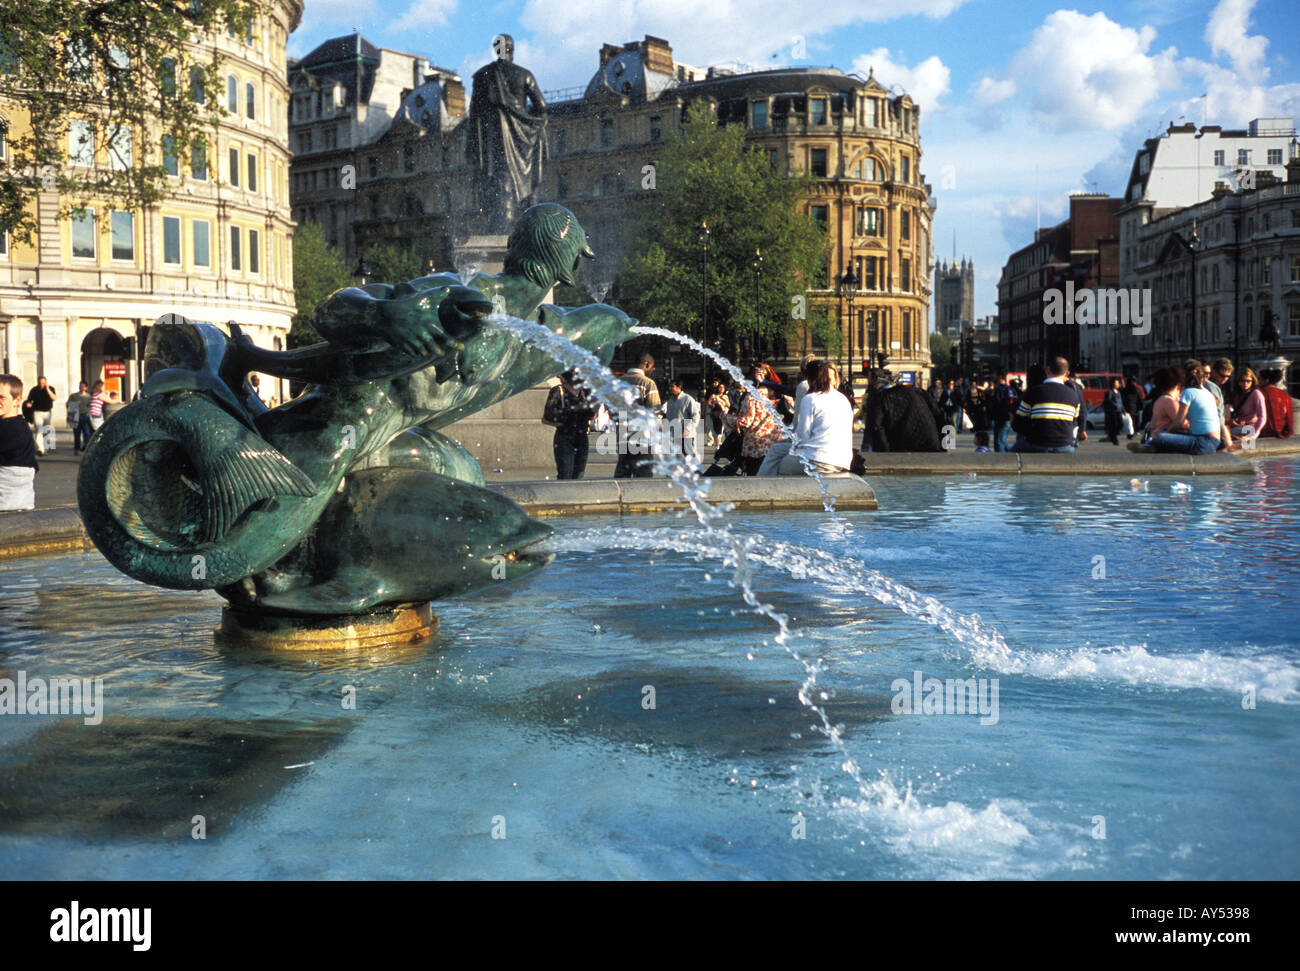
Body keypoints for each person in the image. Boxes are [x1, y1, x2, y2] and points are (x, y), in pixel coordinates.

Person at [760, 360, 852, 475]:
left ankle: (764, 488)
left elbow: (802, 436)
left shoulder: (811, 399)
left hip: (817, 459)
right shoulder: (843, 399)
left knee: (780, 465)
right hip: (842, 460)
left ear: (810, 380)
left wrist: (791, 438)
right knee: (776, 449)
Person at [1149, 362, 1227, 454]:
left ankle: (1151, 446)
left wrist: (1166, 433)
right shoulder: (1207, 392)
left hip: (1202, 442)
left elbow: (1179, 422)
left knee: (1160, 437)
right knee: (1168, 434)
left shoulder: (1187, 392)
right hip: (1215, 440)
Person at [1011, 356, 1084, 453]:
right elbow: (1074, 422)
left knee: (1014, 450)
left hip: (1037, 443)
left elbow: (1018, 424)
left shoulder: (1033, 392)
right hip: (1065, 445)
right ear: (1067, 373)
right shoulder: (1073, 395)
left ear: (1047, 371)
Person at [861, 370, 946, 452]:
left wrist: (885, 449)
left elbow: (877, 425)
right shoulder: (919, 392)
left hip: (901, 445)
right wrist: (943, 445)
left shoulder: (882, 397)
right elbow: (939, 415)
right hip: (929, 442)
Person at [720, 383, 784, 476]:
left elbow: (745, 421)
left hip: (756, 446)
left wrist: (724, 416)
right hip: (777, 444)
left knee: (755, 477)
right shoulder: (783, 395)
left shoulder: (753, 395)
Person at [614, 353, 661, 478]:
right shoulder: (647, 383)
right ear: (647, 364)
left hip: (623, 433)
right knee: (644, 472)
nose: (652, 370)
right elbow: (654, 411)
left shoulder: (619, 382)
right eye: (652, 367)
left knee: (623, 469)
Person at [543, 369, 595, 479]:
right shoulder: (558, 391)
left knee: (579, 474)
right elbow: (548, 414)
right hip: (565, 435)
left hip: (582, 436)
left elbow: (592, 412)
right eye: (576, 373)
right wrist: (574, 408)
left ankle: (576, 496)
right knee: (565, 473)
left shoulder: (585, 392)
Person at [0, 374, 38, 511]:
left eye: (2, 397)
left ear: (17, 400)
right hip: (23, 502)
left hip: (6, 504)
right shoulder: (20, 425)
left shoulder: (11, 428)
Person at [662, 376, 700, 463]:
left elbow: (695, 416)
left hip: (685, 433)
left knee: (688, 453)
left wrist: (688, 429)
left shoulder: (687, 399)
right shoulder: (670, 400)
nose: (670, 388)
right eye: (670, 386)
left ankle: (697, 471)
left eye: (672, 386)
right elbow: (669, 417)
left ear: (679, 387)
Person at [1227, 366, 1266, 445]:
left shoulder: (1256, 394)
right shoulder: (1237, 394)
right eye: (1242, 381)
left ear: (1253, 381)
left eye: (1248, 381)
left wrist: (1252, 435)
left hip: (1251, 427)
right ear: (1238, 382)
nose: (1245, 383)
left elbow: (1262, 417)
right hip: (1238, 426)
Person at [24, 375, 56, 456]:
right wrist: (28, 404)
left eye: (43, 383)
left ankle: (46, 449)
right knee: (39, 430)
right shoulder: (34, 390)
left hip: (47, 412)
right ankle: (40, 449)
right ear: (37, 382)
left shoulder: (51, 388)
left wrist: (47, 389)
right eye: (40, 383)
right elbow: (29, 400)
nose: (42, 384)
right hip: (37, 412)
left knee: (46, 430)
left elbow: (54, 398)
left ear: (46, 382)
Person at [1259, 369, 1294, 439]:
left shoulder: (1259, 393)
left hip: (1263, 432)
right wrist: (1288, 432)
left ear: (1266, 380)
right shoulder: (1284, 394)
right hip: (1281, 432)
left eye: (1260, 379)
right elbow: (1289, 416)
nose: (1258, 381)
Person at [986, 373, 1014, 452]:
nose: (994, 376)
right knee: (1000, 441)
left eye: (995, 374)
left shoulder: (999, 390)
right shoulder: (1009, 389)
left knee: (999, 442)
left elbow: (998, 404)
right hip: (1004, 418)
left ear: (999, 376)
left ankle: (1001, 460)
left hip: (1001, 418)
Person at [67, 381, 91, 454]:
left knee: (86, 432)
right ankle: (76, 449)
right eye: (80, 386)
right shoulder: (73, 396)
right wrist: (75, 403)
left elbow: (91, 406)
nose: (81, 388)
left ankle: (85, 446)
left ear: (86, 387)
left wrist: (89, 412)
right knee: (77, 433)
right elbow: (68, 405)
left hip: (85, 416)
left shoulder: (88, 397)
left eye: (83, 386)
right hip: (75, 416)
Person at [1121, 375, 1145, 439]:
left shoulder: (1124, 390)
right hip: (1135, 408)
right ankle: (1133, 432)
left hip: (1127, 408)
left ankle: (1130, 433)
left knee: (1129, 421)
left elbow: (1122, 400)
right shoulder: (1136, 390)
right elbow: (1140, 399)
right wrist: (1141, 407)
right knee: (1134, 421)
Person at [1103, 377, 1124, 445]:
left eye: (1118, 383)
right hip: (1112, 411)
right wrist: (1114, 405)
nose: (1118, 384)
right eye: (1116, 383)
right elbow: (1108, 400)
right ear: (1113, 384)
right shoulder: (1110, 392)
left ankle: (1112, 435)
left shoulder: (1119, 392)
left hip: (1119, 411)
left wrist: (1123, 409)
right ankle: (1114, 439)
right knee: (1114, 425)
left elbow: (1120, 402)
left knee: (1120, 424)